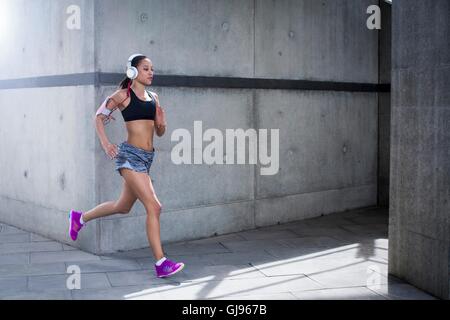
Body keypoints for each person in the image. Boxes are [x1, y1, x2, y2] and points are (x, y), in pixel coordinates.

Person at [69, 53, 184, 278]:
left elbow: (159, 133)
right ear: (132, 71)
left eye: (152, 69)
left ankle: (79, 218)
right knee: (155, 206)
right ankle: (161, 263)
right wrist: (105, 143)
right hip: (130, 157)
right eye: (145, 68)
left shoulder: (154, 97)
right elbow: (98, 117)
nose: (151, 72)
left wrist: (162, 122)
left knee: (122, 206)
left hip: (146, 159)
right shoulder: (123, 95)